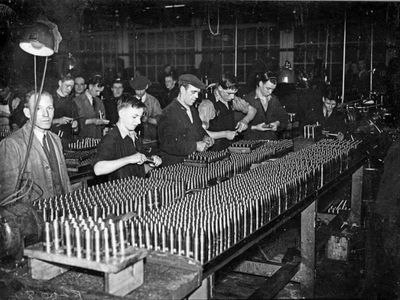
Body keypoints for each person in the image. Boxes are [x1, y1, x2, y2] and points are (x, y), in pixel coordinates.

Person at [0, 91, 71, 202]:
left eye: (49, 108)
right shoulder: (12, 144)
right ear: (27, 113)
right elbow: (7, 198)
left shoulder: (55, 139)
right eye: (38, 109)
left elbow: (65, 182)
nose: (46, 114)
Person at [92, 96, 162, 181]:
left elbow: (138, 170)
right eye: (134, 117)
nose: (139, 122)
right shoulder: (111, 138)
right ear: (121, 114)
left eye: (140, 117)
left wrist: (151, 164)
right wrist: (129, 159)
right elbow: (98, 169)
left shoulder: (135, 137)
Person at [158, 74, 214, 166]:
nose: (196, 96)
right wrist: (195, 146)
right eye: (193, 92)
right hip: (175, 167)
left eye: (198, 93)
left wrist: (205, 137)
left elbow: (199, 129)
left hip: (192, 163)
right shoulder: (168, 113)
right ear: (183, 90)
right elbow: (167, 143)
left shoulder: (192, 110)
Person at [198, 72, 257, 151]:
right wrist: (225, 134)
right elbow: (201, 132)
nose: (232, 97)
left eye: (234, 93)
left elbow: (253, 110)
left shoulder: (231, 99)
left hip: (229, 148)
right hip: (214, 151)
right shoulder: (207, 105)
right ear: (220, 88)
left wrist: (245, 120)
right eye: (228, 93)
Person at [243, 71, 288, 140]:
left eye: (273, 89)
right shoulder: (248, 100)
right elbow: (237, 125)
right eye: (268, 88)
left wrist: (277, 123)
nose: (270, 92)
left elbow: (284, 116)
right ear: (260, 83)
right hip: (252, 141)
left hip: (271, 140)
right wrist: (255, 127)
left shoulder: (273, 99)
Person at [73, 74, 109, 139]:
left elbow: (103, 117)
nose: (98, 94)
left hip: (97, 139)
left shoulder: (99, 101)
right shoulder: (77, 101)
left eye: (100, 92)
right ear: (90, 86)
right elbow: (75, 123)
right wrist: (92, 121)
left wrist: (103, 122)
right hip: (82, 139)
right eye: (97, 91)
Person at [130, 76, 162, 140]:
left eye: (141, 89)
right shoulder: (130, 101)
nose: (139, 92)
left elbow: (160, 121)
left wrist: (147, 119)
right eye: (137, 90)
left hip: (150, 137)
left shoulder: (153, 101)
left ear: (146, 87)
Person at [51, 73, 79, 145]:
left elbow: (76, 131)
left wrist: (75, 127)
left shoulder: (72, 103)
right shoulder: (49, 99)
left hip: (67, 142)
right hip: (51, 140)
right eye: (67, 86)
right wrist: (57, 121)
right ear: (60, 83)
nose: (69, 89)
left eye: (71, 87)